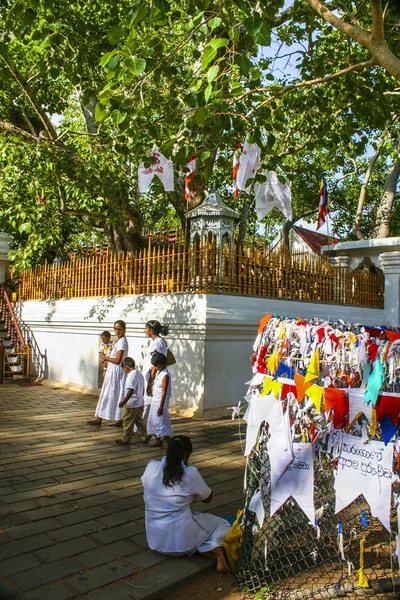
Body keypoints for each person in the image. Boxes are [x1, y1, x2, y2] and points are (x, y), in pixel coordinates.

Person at [141, 436, 230, 574]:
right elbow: (208, 498)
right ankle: (216, 550)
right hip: (182, 543)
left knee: (194, 518)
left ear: (167, 450)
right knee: (221, 524)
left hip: (155, 542)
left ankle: (204, 548)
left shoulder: (151, 467)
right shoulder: (190, 473)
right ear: (187, 455)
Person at [87, 320, 128, 428]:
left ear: (124, 329)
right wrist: (107, 360)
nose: (117, 331)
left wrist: (106, 358)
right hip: (112, 371)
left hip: (117, 373)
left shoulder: (122, 342)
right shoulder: (117, 341)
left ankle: (109, 419)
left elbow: (118, 360)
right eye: (116, 329)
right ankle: (101, 418)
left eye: (120, 329)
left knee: (113, 394)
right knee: (109, 394)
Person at [115, 357, 147, 446]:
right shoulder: (139, 374)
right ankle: (147, 434)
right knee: (138, 420)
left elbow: (131, 390)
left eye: (124, 369)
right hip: (140, 402)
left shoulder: (130, 376)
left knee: (127, 421)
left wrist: (124, 401)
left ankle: (125, 439)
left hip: (131, 403)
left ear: (126, 368)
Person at [142, 320, 169, 423]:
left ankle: (143, 426)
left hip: (152, 375)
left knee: (148, 401)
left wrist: (151, 379)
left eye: (147, 329)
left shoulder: (157, 343)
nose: (146, 331)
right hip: (151, 374)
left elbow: (155, 362)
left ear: (151, 330)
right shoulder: (157, 342)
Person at [146, 351, 173, 448]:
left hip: (161, 401)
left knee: (161, 420)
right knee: (153, 420)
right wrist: (151, 376)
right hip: (155, 400)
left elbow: (164, 392)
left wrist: (161, 406)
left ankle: (166, 440)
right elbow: (152, 383)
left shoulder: (165, 375)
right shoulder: (158, 372)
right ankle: (158, 439)